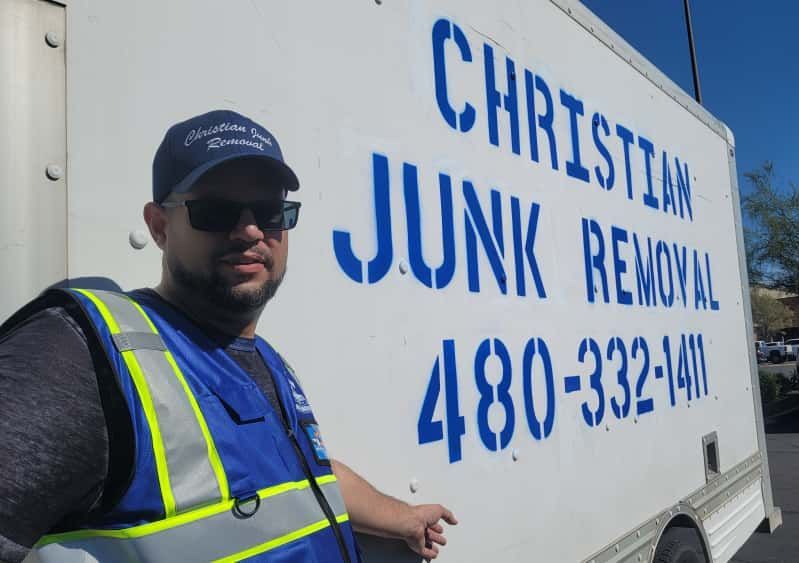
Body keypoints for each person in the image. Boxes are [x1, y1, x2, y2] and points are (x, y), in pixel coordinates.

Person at [0, 109, 457, 562]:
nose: (251, 231)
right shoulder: (84, 354)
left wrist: (402, 516)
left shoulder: (265, 360)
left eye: (270, 212)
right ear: (159, 226)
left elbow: (304, 473)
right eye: (215, 212)